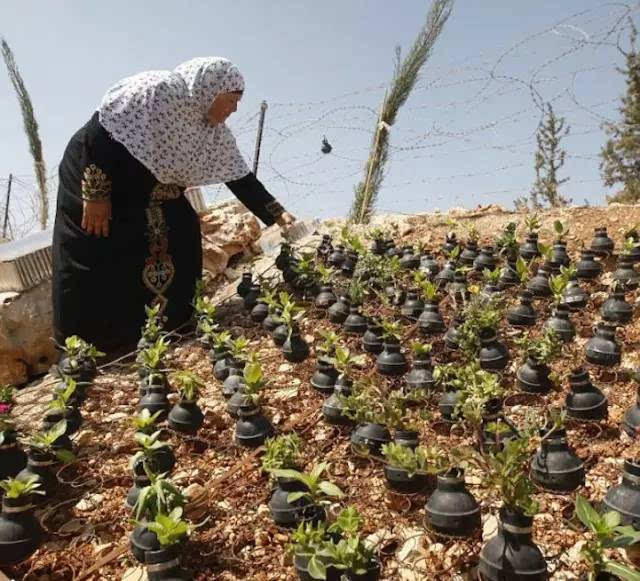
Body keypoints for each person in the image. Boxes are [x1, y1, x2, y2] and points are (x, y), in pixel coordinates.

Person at [52, 57, 295, 355]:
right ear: (209, 89)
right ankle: (89, 348)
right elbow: (98, 132)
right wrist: (96, 193)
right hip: (96, 177)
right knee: (97, 247)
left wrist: (276, 213)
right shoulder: (154, 92)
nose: (234, 109)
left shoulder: (212, 132)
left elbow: (240, 177)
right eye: (231, 101)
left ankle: (171, 324)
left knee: (182, 231)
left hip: (149, 192)